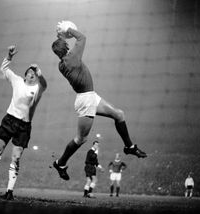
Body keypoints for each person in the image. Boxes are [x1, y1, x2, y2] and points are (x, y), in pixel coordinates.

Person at [51, 21, 147, 181]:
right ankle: (60, 163)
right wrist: (68, 30)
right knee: (81, 139)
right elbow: (82, 37)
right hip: (86, 100)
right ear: (67, 48)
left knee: (119, 114)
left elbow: (63, 47)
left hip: (90, 96)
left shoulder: (62, 64)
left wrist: (60, 37)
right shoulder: (72, 57)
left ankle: (129, 147)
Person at [0, 45, 47, 200]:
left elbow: (45, 84)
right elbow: (3, 68)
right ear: (25, 75)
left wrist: (40, 72)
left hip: (24, 126)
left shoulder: (37, 89)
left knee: (16, 157)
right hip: (9, 120)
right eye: (29, 72)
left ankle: (9, 191)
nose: (31, 74)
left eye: (34, 73)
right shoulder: (16, 81)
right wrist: (9, 56)